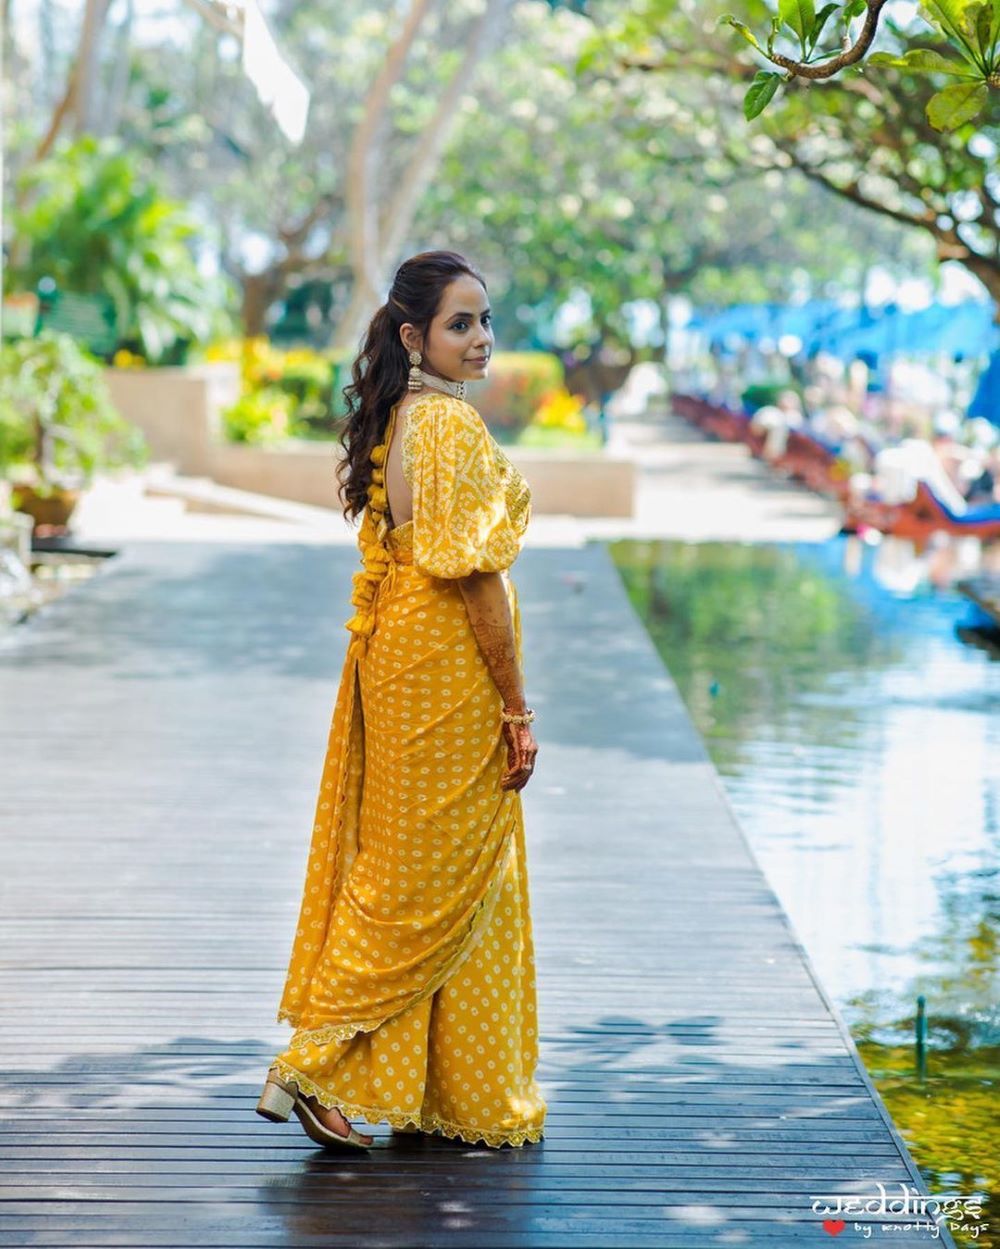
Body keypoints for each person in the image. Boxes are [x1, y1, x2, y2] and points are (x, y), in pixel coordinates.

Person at [255, 250, 547, 1150]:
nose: (483, 340)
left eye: (487, 321)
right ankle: (308, 1064)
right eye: (462, 323)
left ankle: (440, 1085)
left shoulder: (404, 421)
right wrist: (516, 708)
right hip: (446, 675)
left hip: (396, 662)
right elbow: (477, 582)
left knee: (430, 871)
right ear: (415, 335)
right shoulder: (450, 430)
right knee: (421, 883)